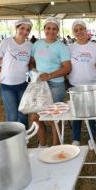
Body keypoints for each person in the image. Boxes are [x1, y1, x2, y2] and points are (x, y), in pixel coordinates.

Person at [29, 17, 71, 147]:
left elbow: (67, 68)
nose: (51, 31)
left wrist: (50, 75)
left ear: (57, 31)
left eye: (54, 29)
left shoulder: (61, 47)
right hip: (38, 84)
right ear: (44, 29)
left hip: (56, 84)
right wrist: (33, 73)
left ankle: (55, 146)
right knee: (36, 117)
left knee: (53, 117)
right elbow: (31, 63)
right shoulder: (37, 45)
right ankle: (42, 145)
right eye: (48, 28)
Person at [69, 20, 96, 146]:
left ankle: (92, 138)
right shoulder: (70, 48)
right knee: (76, 114)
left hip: (92, 85)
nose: (79, 32)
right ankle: (76, 139)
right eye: (76, 30)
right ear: (73, 33)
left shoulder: (94, 47)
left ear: (86, 30)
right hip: (75, 85)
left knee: (91, 113)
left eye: (81, 29)